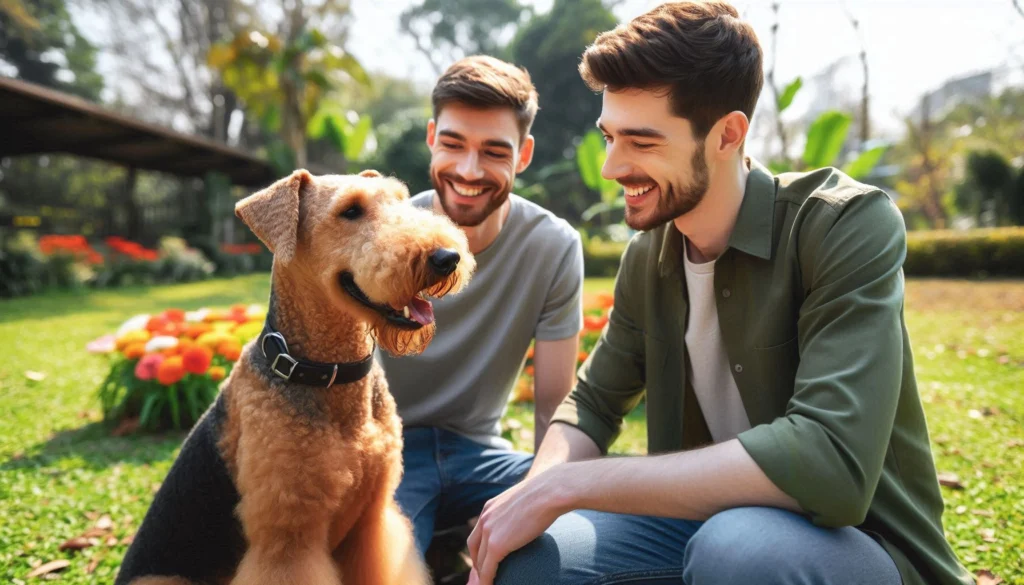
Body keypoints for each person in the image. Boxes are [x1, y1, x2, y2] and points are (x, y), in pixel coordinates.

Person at [464, 3, 973, 585]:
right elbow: (595, 405)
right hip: (701, 528)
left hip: (859, 546)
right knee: (531, 559)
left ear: (728, 134)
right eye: (609, 136)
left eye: (642, 142)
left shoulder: (843, 225)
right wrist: (532, 497)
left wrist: (571, 484)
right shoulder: (647, 258)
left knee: (737, 552)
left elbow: (831, 463)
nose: (611, 166)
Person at [375, 55, 585, 561]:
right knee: (387, 565)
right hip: (387, 454)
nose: (469, 170)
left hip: (483, 456)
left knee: (578, 529)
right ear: (431, 137)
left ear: (525, 153)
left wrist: (532, 502)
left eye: (494, 151)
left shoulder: (553, 246)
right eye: (453, 144)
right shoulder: (381, 235)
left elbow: (553, 406)